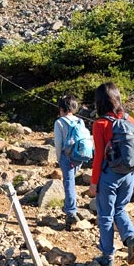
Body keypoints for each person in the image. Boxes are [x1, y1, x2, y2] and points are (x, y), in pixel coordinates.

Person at [88, 82, 134, 266]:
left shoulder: (100, 124)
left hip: (108, 176)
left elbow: (98, 158)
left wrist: (93, 183)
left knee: (105, 216)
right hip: (128, 175)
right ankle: (131, 238)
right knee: (120, 209)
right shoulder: (131, 120)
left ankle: (107, 256)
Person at [54, 94, 83, 230]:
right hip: (80, 156)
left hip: (67, 156)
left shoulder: (59, 122)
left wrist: (59, 159)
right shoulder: (80, 121)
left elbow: (58, 143)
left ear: (61, 108)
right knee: (71, 181)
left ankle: (71, 212)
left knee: (69, 183)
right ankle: (68, 207)